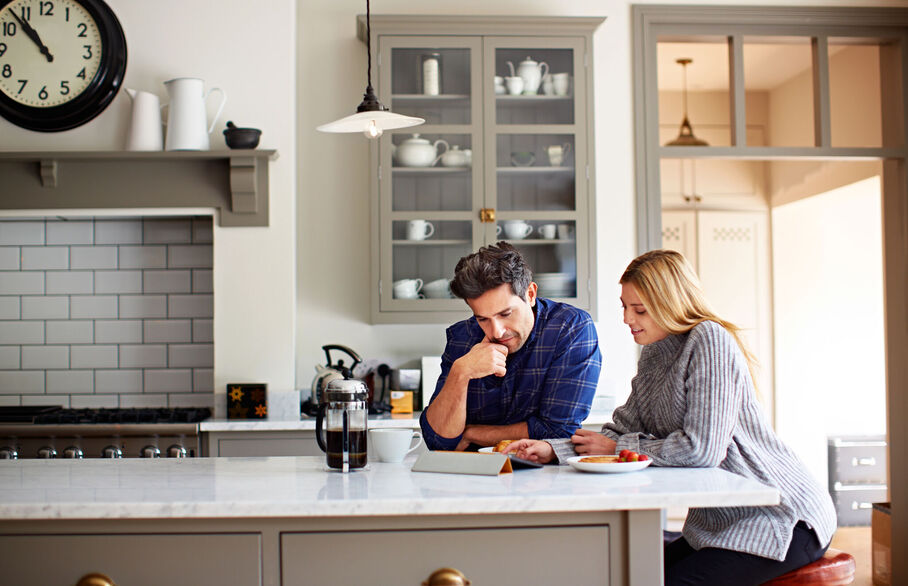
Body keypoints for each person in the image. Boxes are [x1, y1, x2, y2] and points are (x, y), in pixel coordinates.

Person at [504, 249, 837, 586]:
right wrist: (553, 449)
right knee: (626, 574)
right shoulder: (654, 352)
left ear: (670, 303)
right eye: (625, 306)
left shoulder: (709, 339)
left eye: (640, 310)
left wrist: (618, 447)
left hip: (780, 519)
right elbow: (621, 430)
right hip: (718, 523)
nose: (627, 319)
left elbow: (701, 450)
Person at [419, 242, 601, 452]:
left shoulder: (570, 328)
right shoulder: (462, 337)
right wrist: (461, 373)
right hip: (472, 475)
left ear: (530, 294)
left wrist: (471, 434)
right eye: (482, 319)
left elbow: (558, 430)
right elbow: (438, 441)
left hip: (542, 476)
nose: (496, 332)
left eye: (505, 314)